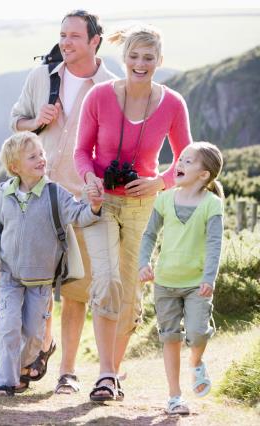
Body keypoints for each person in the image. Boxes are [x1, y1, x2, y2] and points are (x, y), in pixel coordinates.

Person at [74, 24, 192, 401]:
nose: (140, 64)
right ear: (123, 58)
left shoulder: (173, 103)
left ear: (159, 61)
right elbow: (82, 153)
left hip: (145, 206)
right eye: (134, 56)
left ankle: (113, 373)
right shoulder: (99, 97)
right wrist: (91, 178)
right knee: (106, 280)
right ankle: (106, 374)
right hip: (102, 202)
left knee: (129, 293)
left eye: (148, 57)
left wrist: (159, 182)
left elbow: (185, 160)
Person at [9, 9, 116, 394]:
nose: (65, 42)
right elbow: (16, 123)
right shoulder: (42, 76)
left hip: (80, 201)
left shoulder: (110, 87)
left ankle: (67, 373)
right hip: (37, 197)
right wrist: (36, 119)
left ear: (94, 41)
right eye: (62, 35)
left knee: (74, 289)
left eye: (74, 36)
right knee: (36, 283)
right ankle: (40, 347)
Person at [0, 131, 102, 396]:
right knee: (9, 325)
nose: (41, 158)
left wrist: (93, 207)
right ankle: (5, 380)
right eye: (33, 156)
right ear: (15, 167)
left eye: (41, 154)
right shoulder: (6, 193)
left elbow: (78, 214)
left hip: (41, 281)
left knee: (34, 335)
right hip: (10, 277)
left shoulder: (54, 193)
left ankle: (23, 367)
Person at [139, 142, 224, 415]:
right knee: (170, 337)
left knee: (198, 334)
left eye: (189, 161)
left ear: (204, 175)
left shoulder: (212, 205)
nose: (180, 164)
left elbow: (214, 244)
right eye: (181, 159)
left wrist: (209, 277)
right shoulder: (164, 198)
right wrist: (144, 263)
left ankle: (196, 362)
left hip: (198, 283)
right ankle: (174, 396)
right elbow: (149, 234)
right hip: (165, 282)